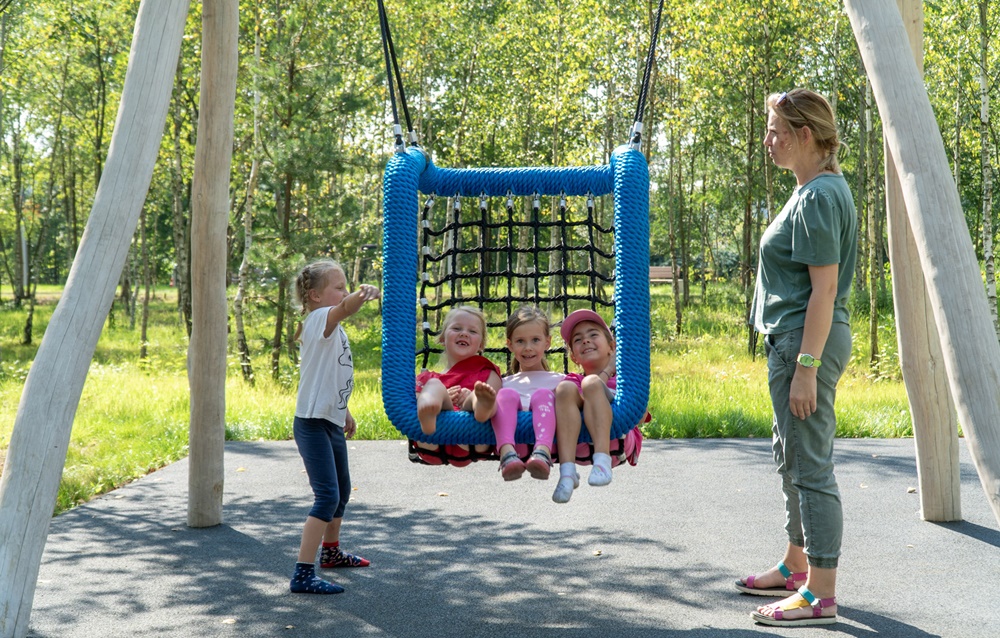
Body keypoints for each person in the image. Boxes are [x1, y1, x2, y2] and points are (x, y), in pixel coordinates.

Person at [736, 88, 857, 627]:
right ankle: (796, 565)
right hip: (792, 343)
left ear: (805, 135)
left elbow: (824, 292)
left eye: (776, 132)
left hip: (804, 345)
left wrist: (806, 368)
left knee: (810, 467)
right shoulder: (812, 190)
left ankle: (820, 595)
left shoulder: (819, 197)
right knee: (791, 459)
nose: (768, 141)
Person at [289, 259, 380, 595]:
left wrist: (344, 411)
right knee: (327, 495)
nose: (344, 292)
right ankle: (302, 573)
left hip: (329, 419)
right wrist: (362, 294)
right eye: (338, 287)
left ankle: (331, 553)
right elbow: (345, 308)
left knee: (341, 490)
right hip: (312, 423)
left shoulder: (331, 328)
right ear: (315, 295)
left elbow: (329, 377)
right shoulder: (318, 320)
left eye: (346, 287)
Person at [472, 306, 564, 481]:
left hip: (551, 446)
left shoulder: (560, 381)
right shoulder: (503, 383)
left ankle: (542, 452)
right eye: (520, 341)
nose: (528, 347)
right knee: (505, 395)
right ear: (510, 345)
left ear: (547, 342)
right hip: (514, 445)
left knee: (543, 395)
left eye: (535, 340)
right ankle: (507, 454)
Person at [550, 309, 619, 503]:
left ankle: (602, 460)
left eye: (593, 335)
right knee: (564, 388)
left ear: (612, 347)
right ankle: (567, 472)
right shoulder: (573, 380)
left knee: (591, 383)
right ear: (573, 357)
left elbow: (639, 415)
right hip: (577, 443)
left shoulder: (624, 380)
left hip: (616, 440)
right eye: (578, 339)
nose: (586, 341)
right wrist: (606, 371)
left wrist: (609, 372)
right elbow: (577, 398)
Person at [415, 305, 503, 435]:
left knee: (477, 394)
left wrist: (471, 397)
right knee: (434, 386)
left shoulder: (487, 373)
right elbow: (409, 402)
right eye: (456, 328)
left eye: (472, 331)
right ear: (442, 338)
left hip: (474, 435)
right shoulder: (427, 378)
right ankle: (429, 407)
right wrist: (443, 399)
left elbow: (498, 404)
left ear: (481, 344)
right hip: (435, 436)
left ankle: (480, 406)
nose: (464, 333)